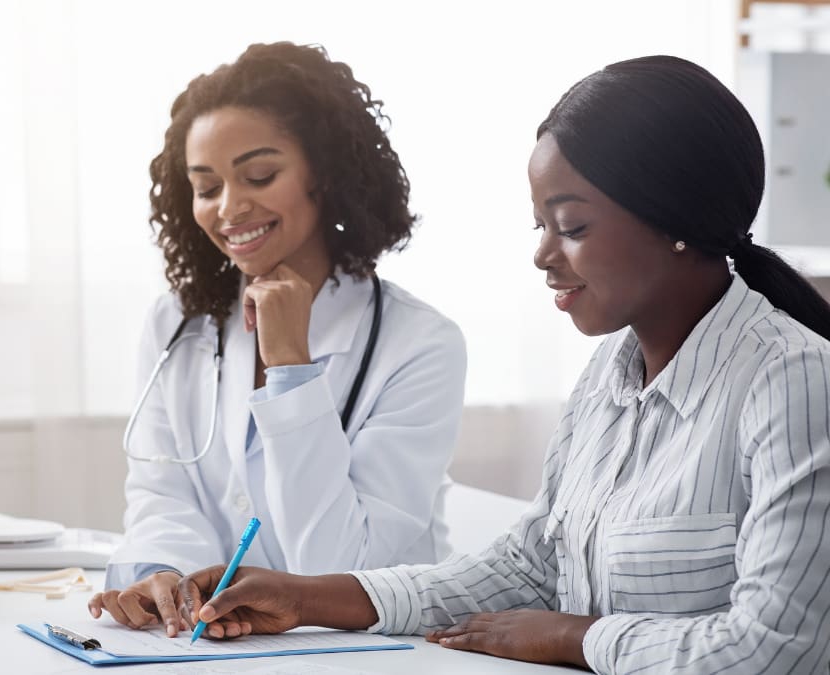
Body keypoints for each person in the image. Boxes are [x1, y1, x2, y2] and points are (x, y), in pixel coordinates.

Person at [176, 55, 830, 673]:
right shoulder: (609, 375)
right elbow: (530, 563)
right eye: (539, 226)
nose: (544, 254)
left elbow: (775, 648)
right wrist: (306, 598)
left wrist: (572, 636)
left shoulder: (793, 381)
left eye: (571, 226)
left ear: (676, 219)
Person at [89, 42, 467, 636]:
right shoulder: (177, 325)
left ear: (325, 172)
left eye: (259, 176)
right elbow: (163, 491)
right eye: (206, 188)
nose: (231, 208)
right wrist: (167, 578)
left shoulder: (419, 344)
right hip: (213, 647)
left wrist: (291, 367)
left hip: (367, 655)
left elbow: (342, 569)